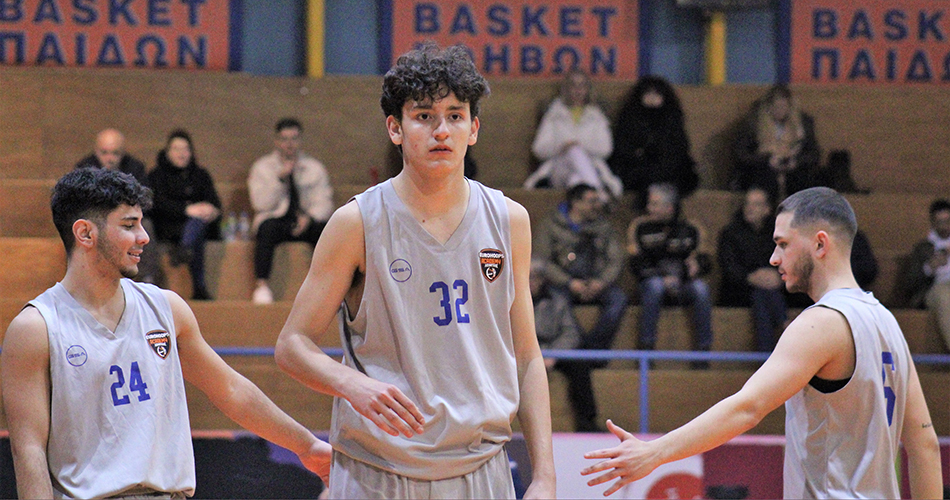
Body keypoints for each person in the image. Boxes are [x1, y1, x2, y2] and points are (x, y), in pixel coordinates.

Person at [273, 43, 556, 499]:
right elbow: (292, 345)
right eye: (424, 116)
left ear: (473, 128)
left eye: (455, 115)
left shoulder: (509, 220)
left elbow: (526, 357)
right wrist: (353, 385)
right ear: (395, 128)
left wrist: (544, 476)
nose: (441, 130)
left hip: (481, 465)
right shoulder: (356, 222)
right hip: (376, 469)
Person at [582, 187, 942, 499]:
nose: (774, 258)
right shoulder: (887, 322)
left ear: (820, 243)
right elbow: (924, 445)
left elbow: (748, 408)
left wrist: (655, 453)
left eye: (783, 244)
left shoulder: (821, 322)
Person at [1, 168, 331, 499]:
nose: (144, 236)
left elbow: (232, 390)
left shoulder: (167, 308)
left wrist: (307, 445)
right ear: (85, 233)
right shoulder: (36, 328)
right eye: (129, 225)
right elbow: (28, 451)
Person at [534, 183, 628, 432]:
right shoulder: (551, 225)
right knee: (560, 300)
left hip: (596, 282)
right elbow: (542, 261)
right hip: (562, 284)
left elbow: (615, 258)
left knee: (618, 300)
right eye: (591, 200)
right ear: (575, 202)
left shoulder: (604, 226)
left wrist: (601, 282)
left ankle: (592, 350)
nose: (597, 205)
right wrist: (569, 282)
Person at [248, 118, 334, 305]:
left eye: (294, 139)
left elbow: (325, 202)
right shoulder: (262, 167)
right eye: (284, 139)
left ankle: (329, 286)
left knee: (326, 231)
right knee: (265, 229)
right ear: (276, 141)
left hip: (305, 220)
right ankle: (262, 285)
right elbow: (260, 204)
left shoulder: (314, 168)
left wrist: (309, 218)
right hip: (277, 219)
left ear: (300, 140)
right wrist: (279, 180)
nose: (289, 144)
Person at [628, 183, 713, 364]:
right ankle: (646, 348)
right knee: (655, 286)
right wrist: (660, 277)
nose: (649, 208)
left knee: (701, 288)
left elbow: (706, 261)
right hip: (651, 282)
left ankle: (704, 352)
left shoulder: (691, 228)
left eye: (654, 204)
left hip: (683, 283)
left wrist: (697, 265)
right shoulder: (640, 227)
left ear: (669, 207)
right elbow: (635, 263)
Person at [75, 128, 162, 284]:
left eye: (115, 153)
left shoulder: (135, 168)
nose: (109, 158)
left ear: (123, 153)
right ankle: (84, 278)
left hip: (128, 219)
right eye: (104, 153)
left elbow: (145, 201)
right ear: (96, 151)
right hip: (97, 220)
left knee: (146, 226)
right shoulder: (84, 169)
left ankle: (147, 278)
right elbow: (78, 202)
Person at [523, 69, 622, 201]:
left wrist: (579, 145)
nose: (578, 90)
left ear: (588, 89)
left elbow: (605, 149)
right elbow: (539, 149)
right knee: (573, 151)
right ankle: (599, 195)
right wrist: (564, 146)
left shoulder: (596, 116)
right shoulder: (554, 114)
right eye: (573, 85)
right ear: (566, 89)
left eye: (582, 86)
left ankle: (587, 203)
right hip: (559, 169)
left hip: (589, 166)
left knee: (576, 180)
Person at [147, 129, 222, 301]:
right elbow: (157, 205)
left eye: (185, 149)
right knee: (196, 228)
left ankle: (185, 248)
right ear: (167, 152)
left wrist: (210, 210)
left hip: (200, 226)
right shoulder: (157, 175)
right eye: (176, 149)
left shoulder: (201, 175)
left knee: (197, 224)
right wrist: (186, 210)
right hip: (169, 226)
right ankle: (199, 287)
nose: (181, 153)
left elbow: (215, 204)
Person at [608, 76, 699, 211]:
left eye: (657, 93)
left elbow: (679, 149)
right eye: (648, 93)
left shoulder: (672, 118)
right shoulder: (629, 118)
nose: (652, 97)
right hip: (637, 168)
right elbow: (623, 148)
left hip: (667, 168)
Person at [717, 187, 786, 352]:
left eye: (756, 204)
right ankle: (784, 324)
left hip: (770, 290)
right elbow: (728, 267)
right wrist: (750, 278)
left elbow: (788, 262)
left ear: (767, 209)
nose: (750, 208)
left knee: (761, 295)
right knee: (760, 294)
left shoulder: (777, 234)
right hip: (738, 290)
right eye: (747, 203)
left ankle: (765, 353)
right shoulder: (730, 233)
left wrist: (778, 277)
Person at [733, 84, 820, 200]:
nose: (780, 111)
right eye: (776, 107)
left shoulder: (802, 124)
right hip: (762, 168)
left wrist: (796, 161)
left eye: (784, 106)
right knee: (766, 179)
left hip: (793, 168)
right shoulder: (754, 124)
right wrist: (767, 159)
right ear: (769, 106)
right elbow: (742, 154)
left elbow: (813, 154)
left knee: (802, 181)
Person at [900, 199, 950, 352]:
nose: (944, 227)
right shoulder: (923, 248)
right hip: (936, 288)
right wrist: (929, 267)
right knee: (944, 297)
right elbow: (909, 283)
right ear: (933, 223)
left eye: (947, 221)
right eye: (940, 222)